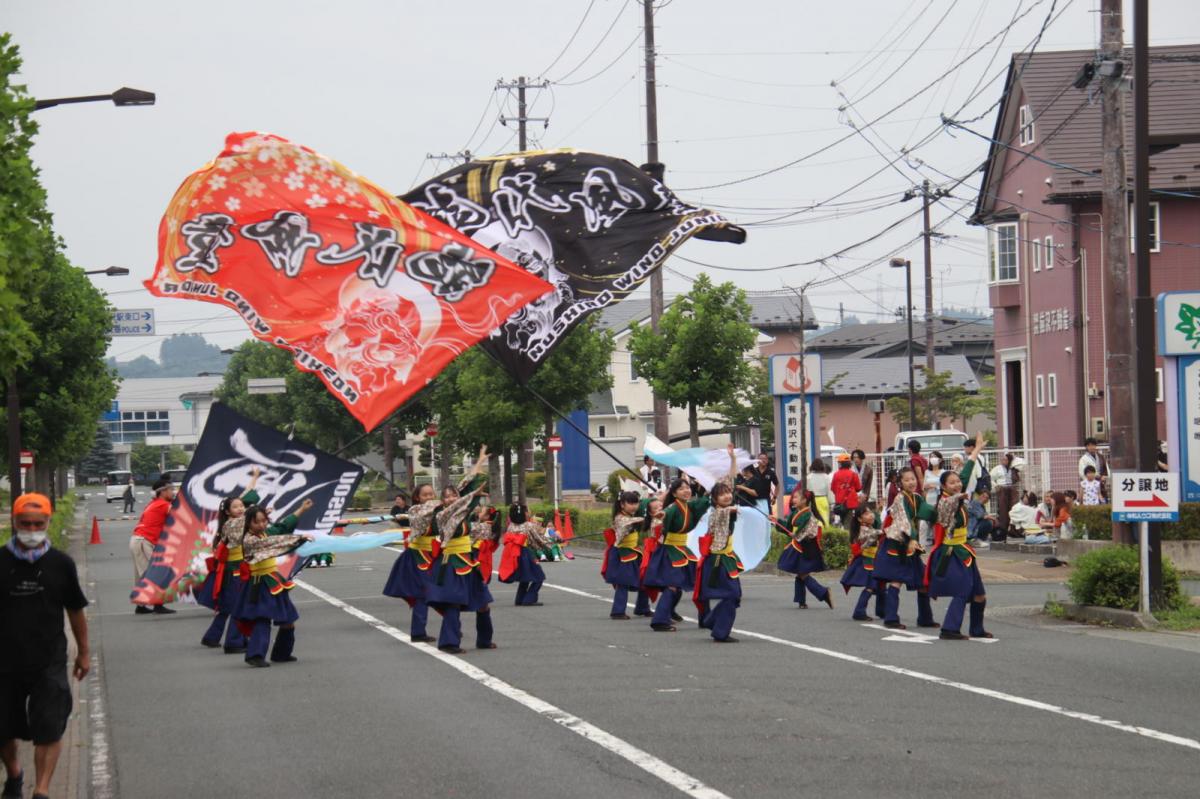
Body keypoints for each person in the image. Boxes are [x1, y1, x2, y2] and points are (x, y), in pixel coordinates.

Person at [1, 494, 90, 799]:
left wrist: (84, 652)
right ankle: (14, 774)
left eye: (38, 524)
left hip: (48, 659)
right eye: (25, 523)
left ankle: (41, 791)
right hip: (5, 661)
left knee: (50, 726)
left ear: (48, 522)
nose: (31, 530)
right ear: (14, 522)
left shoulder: (61, 564)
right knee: (3, 728)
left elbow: (75, 610)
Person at [643, 449, 728, 632]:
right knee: (672, 586)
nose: (686, 491)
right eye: (681, 489)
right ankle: (660, 620)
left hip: (683, 549)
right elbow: (663, 517)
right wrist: (660, 517)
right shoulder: (673, 508)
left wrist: (715, 481)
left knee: (699, 583)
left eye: (688, 487)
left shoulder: (689, 506)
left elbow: (706, 499)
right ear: (674, 493)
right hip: (670, 551)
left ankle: (704, 619)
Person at [425, 446, 495, 654]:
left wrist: (480, 462)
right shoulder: (441, 515)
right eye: (446, 497)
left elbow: (466, 486)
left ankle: (484, 640)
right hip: (451, 564)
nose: (450, 499)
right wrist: (471, 495)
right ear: (441, 500)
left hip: (468, 562)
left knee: (483, 603)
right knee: (452, 604)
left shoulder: (462, 511)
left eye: (453, 495)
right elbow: (464, 499)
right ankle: (449, 643)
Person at [925, 441, 993, 640]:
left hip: (965, 550)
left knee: (979, 594)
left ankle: (977, 629)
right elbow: (947, 504)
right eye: (952, 483)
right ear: (943, 487)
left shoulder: (957, 493)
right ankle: (949, 629)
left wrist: (977, 450)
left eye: (958, 482)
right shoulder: (945, 501)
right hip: (951, 551)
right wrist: (959, 495)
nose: (957, 484)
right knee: (962, 590)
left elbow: (966, 472)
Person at [232, 502, 314, 667]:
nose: (262, 525)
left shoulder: (265, 533)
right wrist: (298, 538)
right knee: (262, 619)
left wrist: (302, 509)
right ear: (248, 523)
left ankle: (281, 654)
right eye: (257, 522)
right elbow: (274, 542)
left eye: (264, 521)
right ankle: (255, 655)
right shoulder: (249, 540)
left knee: (288, 619)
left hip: (273, 580)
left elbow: (282, 527)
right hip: (259, 583)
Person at [194, 469, 261, 653]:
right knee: (238, 606)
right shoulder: (233, 524)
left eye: (241, 506)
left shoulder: (234, 521)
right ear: (227, 512)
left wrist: (255, 477)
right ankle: (234, 642)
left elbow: (246, 496)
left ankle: (211, 637)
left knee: (227, 607)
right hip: (235, 571)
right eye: (236, 507)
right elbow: (248, 501)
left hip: (231, 570)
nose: (241, 508)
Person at [877, 464, 939, 630]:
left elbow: (927, 511)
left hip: (910, 543)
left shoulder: (916, 497)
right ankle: (891, 618)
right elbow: (903, 521)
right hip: (898, 543)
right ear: (900, 483)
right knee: (896, 580)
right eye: (906, 480)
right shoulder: (899, 499)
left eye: (913, 479)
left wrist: (939, 511)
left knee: (922, 581)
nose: (911, 482)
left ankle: (925, 618)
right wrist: (911, 538)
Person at [382, 483, 440, 643]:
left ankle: (451, 625)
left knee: (442, 591)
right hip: (417, 557)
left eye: (431, 494)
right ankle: (418, 632)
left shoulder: (439, 511)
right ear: (417, 498)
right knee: (422, 594)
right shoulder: (414, 511)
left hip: (435, 555)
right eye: (425, 495)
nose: (429, 497)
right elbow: (424, 518)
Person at [694, 450, 742, 642]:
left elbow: (731, 479)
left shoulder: (726, 507)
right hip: (717, 559)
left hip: (727, 557)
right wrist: (733, 508)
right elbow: (726, 512)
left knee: (734, 596)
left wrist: (733, 459)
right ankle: (720, 631)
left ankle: (710, 621)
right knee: (732, 594)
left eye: (728, 493)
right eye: (721, 495)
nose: (727, 496)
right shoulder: (716, 512)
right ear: (714, 499)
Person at [777, 487, 834, 609]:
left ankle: (823, 593)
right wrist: (776, 521)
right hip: (799, 544)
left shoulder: (808, 515)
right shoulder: (795, 513)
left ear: (804, 500)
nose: (793, 499)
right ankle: (801, 601)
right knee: (800, 572)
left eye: (796, 497)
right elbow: (788, 528)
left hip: (806, 546)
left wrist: (795, 535)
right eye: (793, 497)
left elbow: (803, 532)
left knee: (802, 573)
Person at [604, 491, 655, 619]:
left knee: (644, 578)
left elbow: (645, 508)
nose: (634, 506)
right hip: (622, 553)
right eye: (630, 503)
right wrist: (646, 518)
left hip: (634, 551)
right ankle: (617, 612)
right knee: (623, 582)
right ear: (622, 504)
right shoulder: (619, 517)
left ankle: (642, 608)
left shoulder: (631, 515)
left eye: (636, 503)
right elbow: (627, 521)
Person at [130, 479, 177, 615]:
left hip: (139, 540)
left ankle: (140, 605)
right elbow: (179, 514)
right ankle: (158, 605)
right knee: (155, 573)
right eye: (170, 489)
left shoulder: (153, 503)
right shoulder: (163, 505)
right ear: (162, 492)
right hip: (144, 541)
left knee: (142, 575)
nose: (173, 492)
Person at [498, 504, 552, 606]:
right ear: (525, 513)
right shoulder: (528, 525)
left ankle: (520, 599)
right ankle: (528, 599)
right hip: (524, 553)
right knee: (539, 576)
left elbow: (531, 541)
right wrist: (553, 543)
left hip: (513, 554)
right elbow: (538, 540)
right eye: (528, 510)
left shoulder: (511, 526)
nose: (530, 512)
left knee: (525, 576)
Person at [841, 505, 884, 621]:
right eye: (866, 514)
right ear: (860, 519)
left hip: (873, 560)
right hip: (866, 561)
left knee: (880, 585)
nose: (871, 515)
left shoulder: (870, 527)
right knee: (871, 586)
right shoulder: (864, 530)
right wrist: (885, 531)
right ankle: (859, 612)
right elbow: (872, 535)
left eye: (871, 512)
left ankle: (882, 611)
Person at [991, 453, 1020, 534]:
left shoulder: (1013, 469)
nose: (1003, 461)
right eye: (1002, 459)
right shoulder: (997, 468)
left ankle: (1013, 529)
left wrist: (1014, 459)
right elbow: (990, 478)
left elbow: (1017, 478)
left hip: (1012, 489)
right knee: (1003, 509)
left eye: (1006, 459)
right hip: (1002, 489)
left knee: (1014, 508)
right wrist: (996, 486)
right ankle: (1003, 529)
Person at [830, 453, 861, 524]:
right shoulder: (853, 474)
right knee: (849, 520)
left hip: (840, 502)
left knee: (843, 520)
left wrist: (839, 492)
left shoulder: (836, 474)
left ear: (840, 464)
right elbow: (858, 488)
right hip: (851, 502)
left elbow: (833, 488)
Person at [806, 459, 832, 524]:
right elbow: (829, 490)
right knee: (824, 519)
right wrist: (831, 502)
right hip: (823, 499)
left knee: (814, 520)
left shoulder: (809, 477)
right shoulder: (826, 477)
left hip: (812, 500)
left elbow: (807, 490)